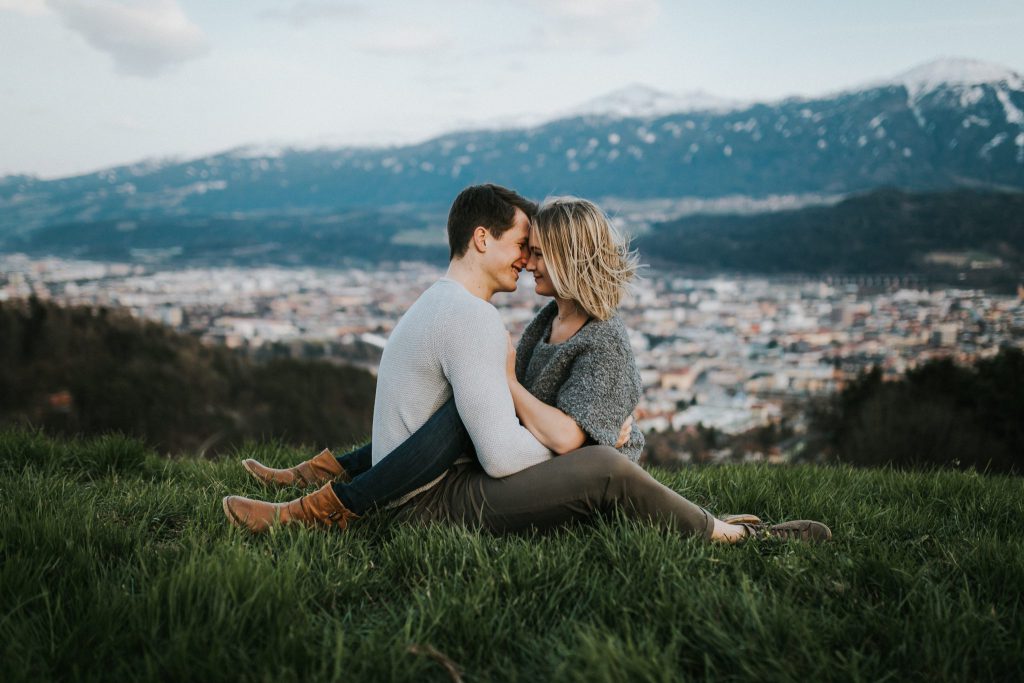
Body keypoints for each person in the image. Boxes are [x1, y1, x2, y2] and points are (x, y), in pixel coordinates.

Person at [223, 186, 830, 544]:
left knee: (602, 465)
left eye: (537, 253)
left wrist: (585, 434)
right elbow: (511, 441)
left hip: (488, 477)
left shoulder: (592, 338)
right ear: (483, 240)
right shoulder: (528, 322)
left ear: (566, 259)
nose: (528, 263)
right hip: (449, 491)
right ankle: (320, 501)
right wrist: (556, 425)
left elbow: (561, 435)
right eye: (524, 248)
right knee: (589, 461)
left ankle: (726, 534)